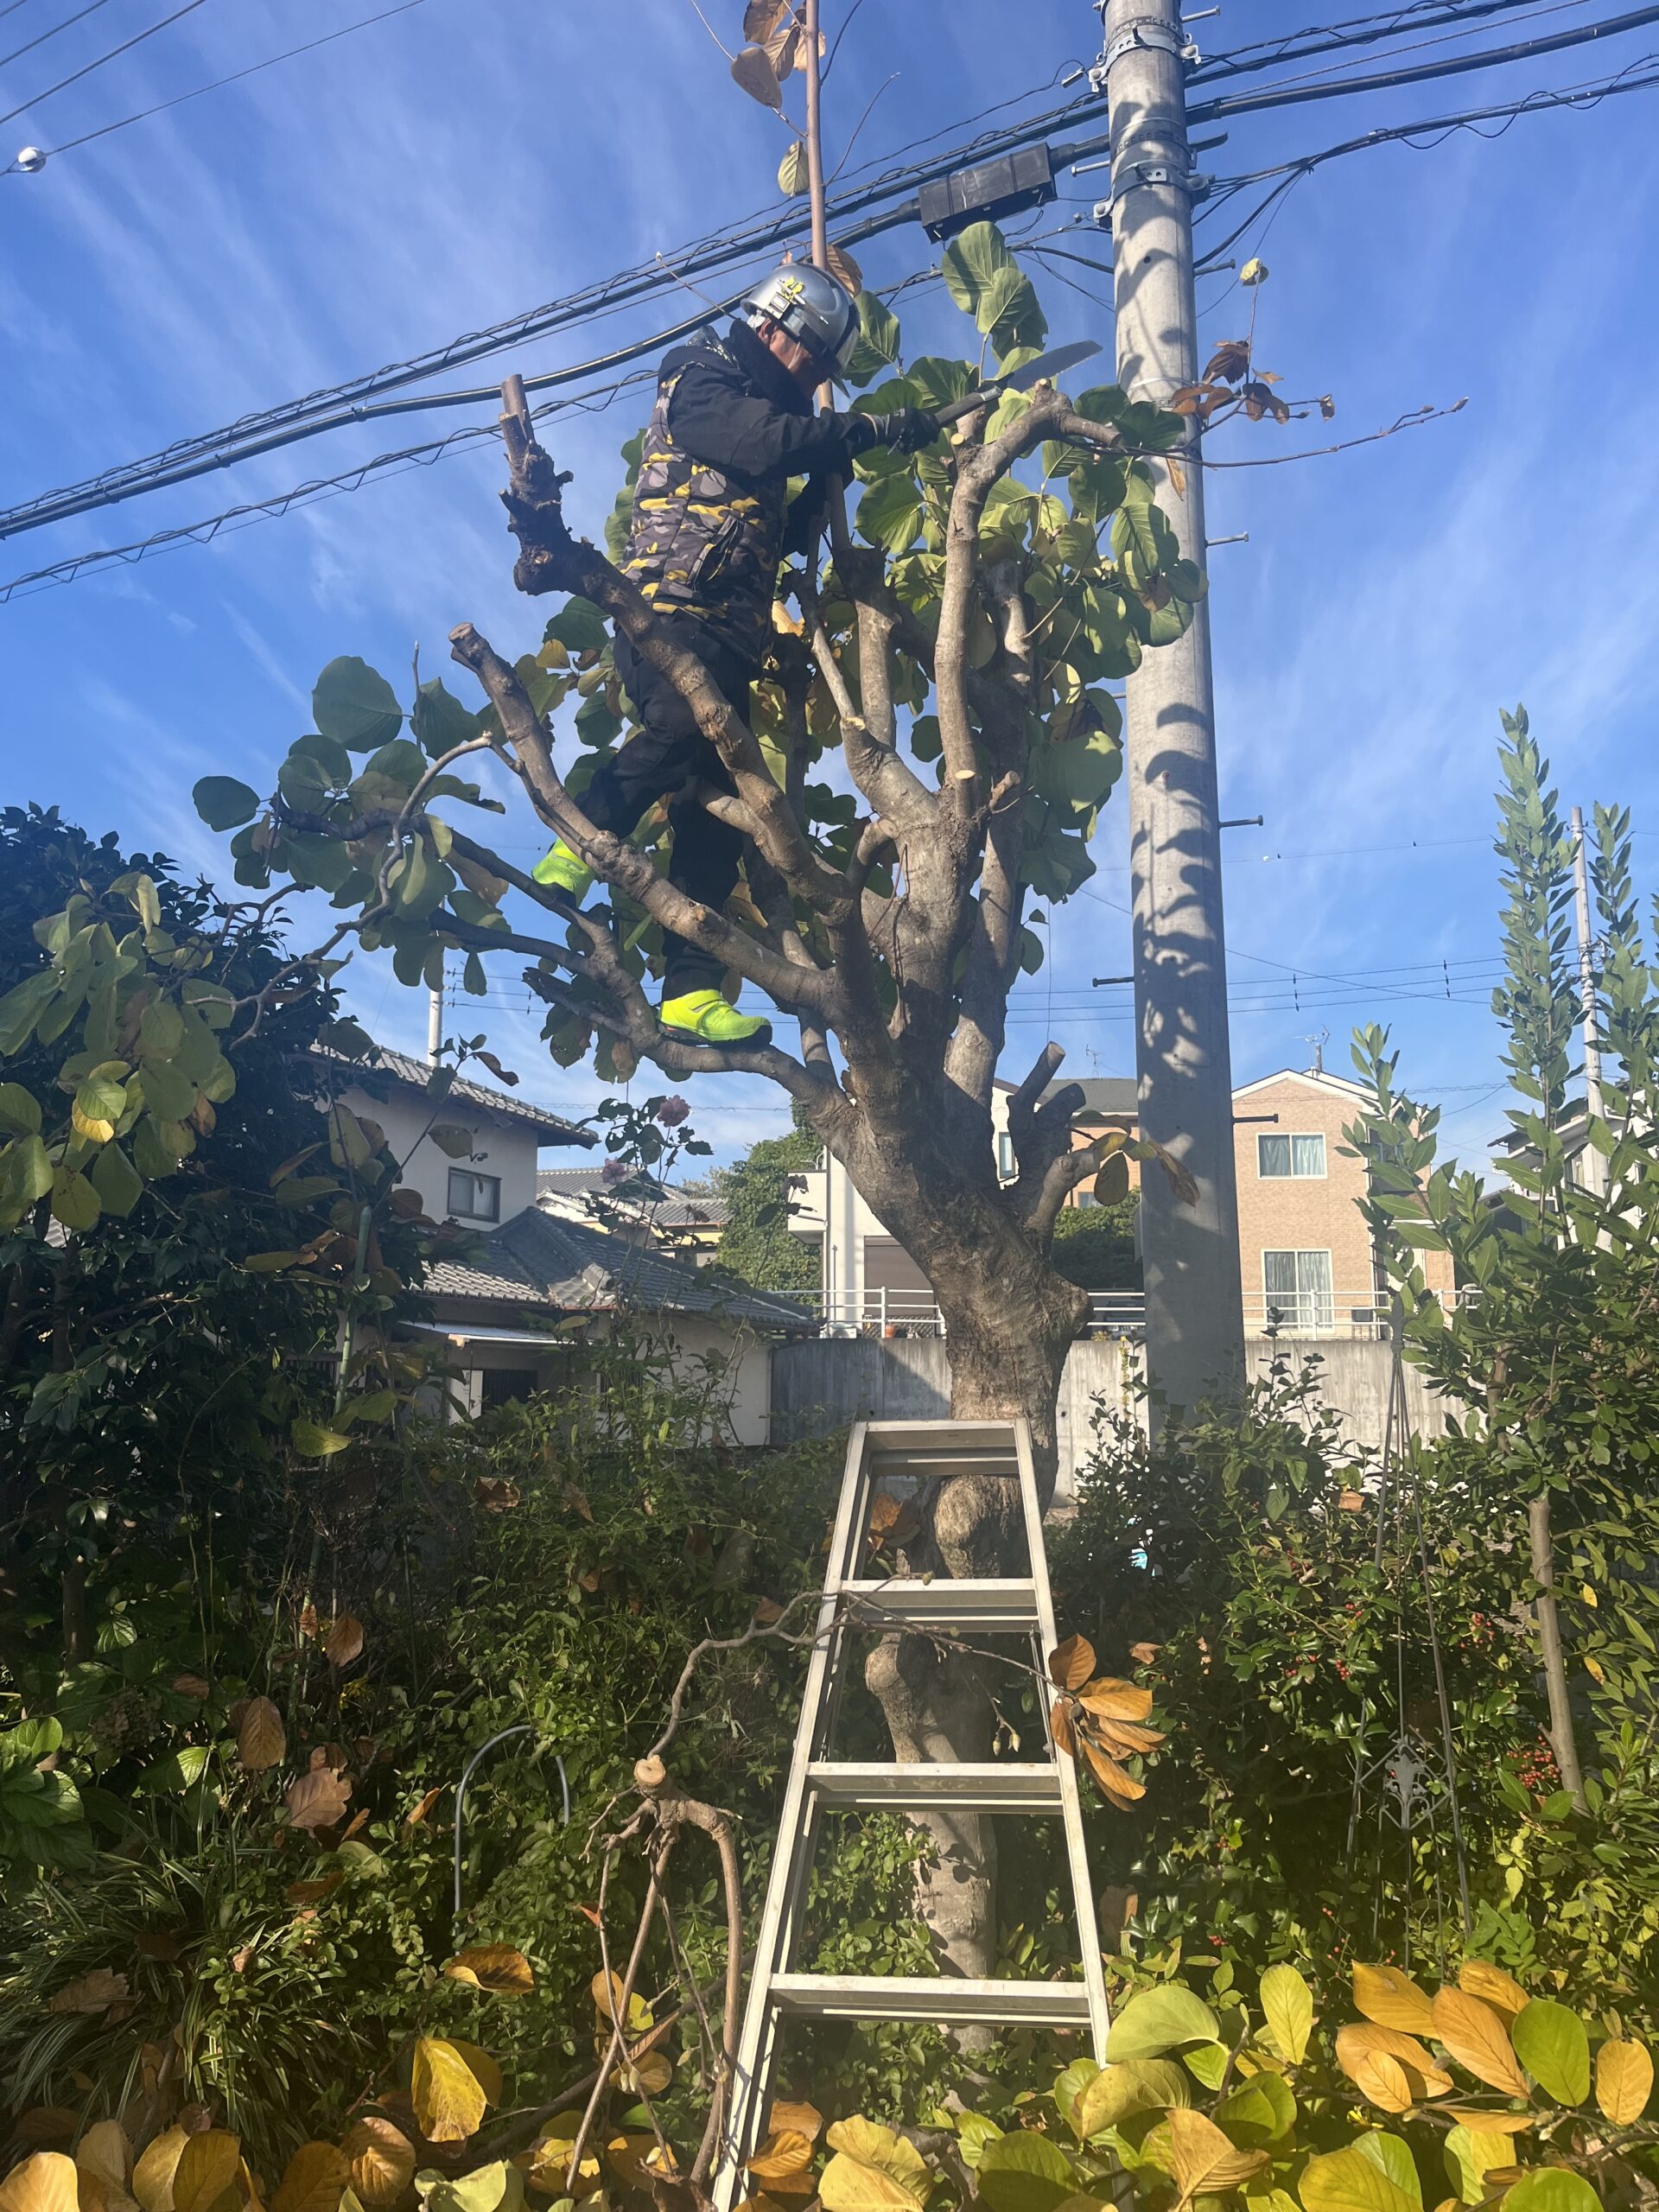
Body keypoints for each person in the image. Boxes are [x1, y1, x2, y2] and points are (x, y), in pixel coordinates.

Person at [534, 261, 940, 1049]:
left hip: (729, 637)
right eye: (815, 360)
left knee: (718, 817)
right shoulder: (699, 379)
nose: (816, 378)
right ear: (775, 330)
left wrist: (811, 513)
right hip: (672, 616)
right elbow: (763, 444)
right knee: (679, 730)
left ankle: (687, 991)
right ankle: (578, 841)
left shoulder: (756, 407)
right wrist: (867, 430)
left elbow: (764, 522)